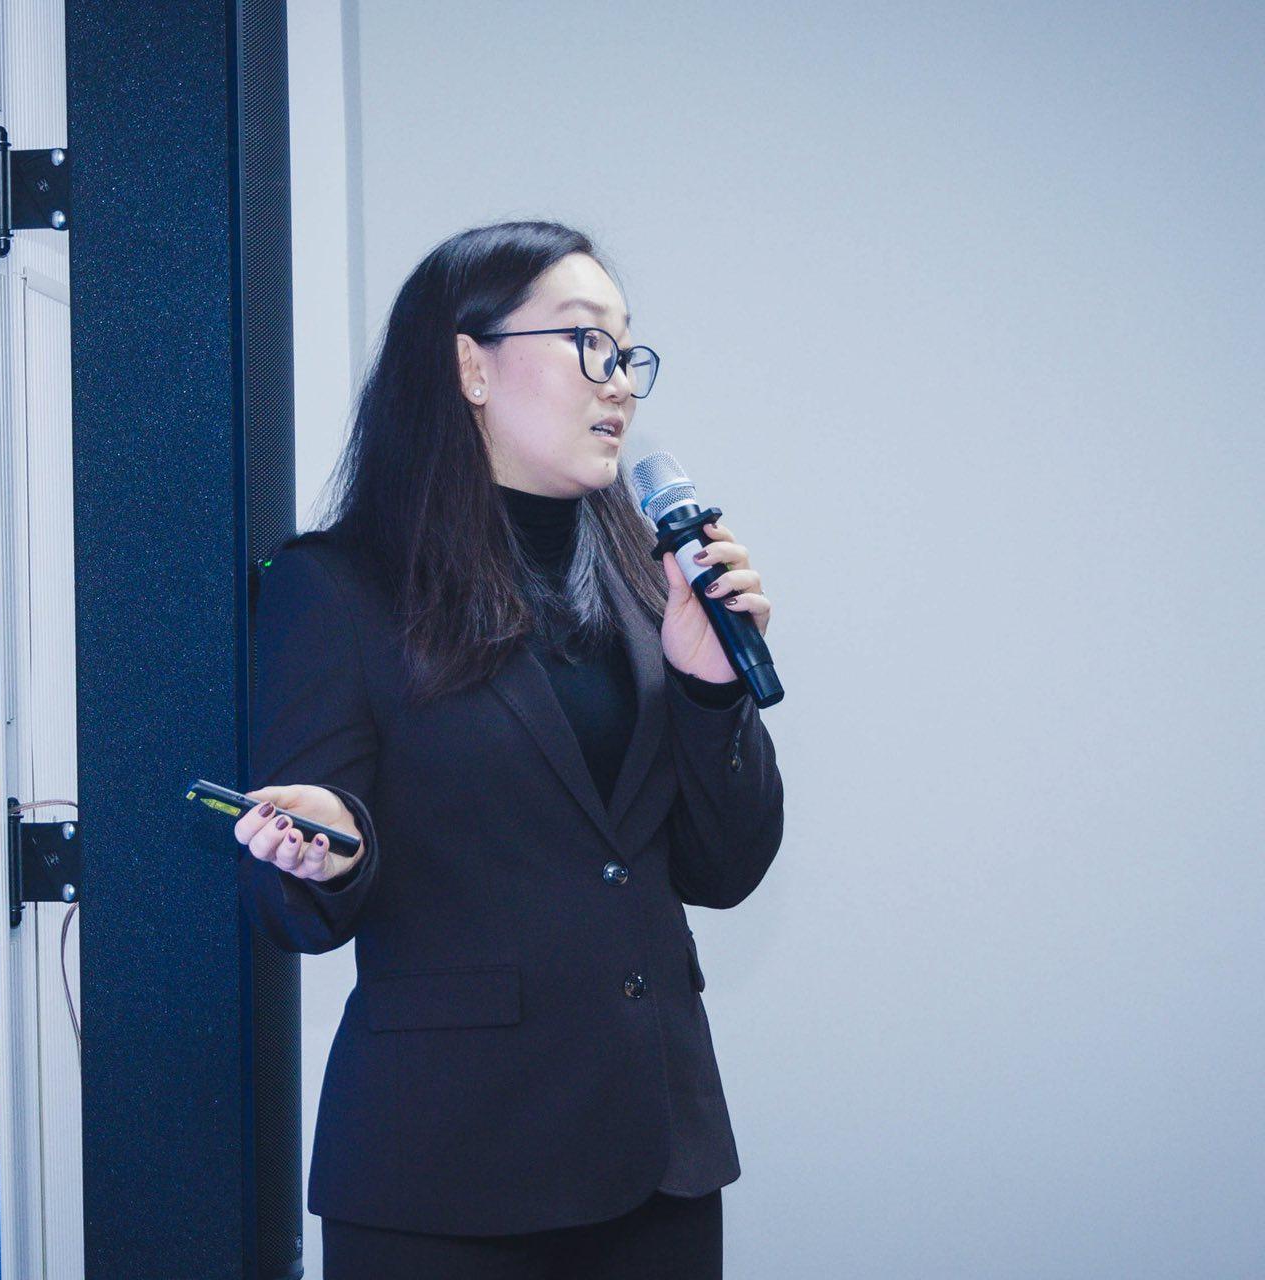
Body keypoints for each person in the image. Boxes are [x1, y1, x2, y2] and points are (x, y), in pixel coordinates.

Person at [235, 220, 783, 1280]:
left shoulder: (650, 583)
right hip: (445, 1175)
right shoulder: (337, 587)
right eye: (585, 341)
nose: (617, 380)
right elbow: (291, 902)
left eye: (626, 351)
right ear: (469, 366)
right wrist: (328, 844)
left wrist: (711, 689)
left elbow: (725, 870)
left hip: (656, 1165)